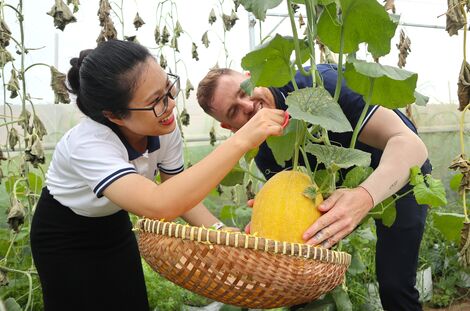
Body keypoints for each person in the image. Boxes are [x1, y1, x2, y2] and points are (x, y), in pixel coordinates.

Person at [29, 39, 286, 311]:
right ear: (115, 116)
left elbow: (176, 187)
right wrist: (241, 140)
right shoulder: (88, 144)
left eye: (167, 88)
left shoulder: (163, 127)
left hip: (113, 223)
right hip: (64, 235)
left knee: (131, 301)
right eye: (157, 101)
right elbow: (158, 204)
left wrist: (220, 233)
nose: (171, 104)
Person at [197, 65, 432, 311]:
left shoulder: (319, 84)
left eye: (244, 92)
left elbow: (410, 145)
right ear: (228, 127)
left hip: (401, 172)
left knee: (395, 284)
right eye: (234, 111)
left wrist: (364, 197)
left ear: (251, 77)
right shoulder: (264, 151)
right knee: (301, 283)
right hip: (339, 195)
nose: (247, 106)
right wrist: (272, 215)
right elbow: (296, 204)